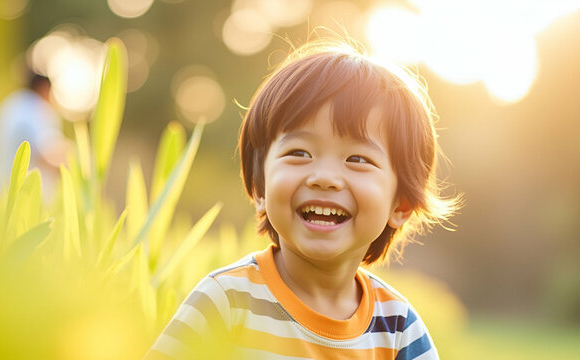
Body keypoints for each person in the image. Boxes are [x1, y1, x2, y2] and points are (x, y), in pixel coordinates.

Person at [146, 40, 459, 359]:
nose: (324, 177)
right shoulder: (227, 301)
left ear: (401, 204)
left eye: (357, 159)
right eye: (299, 153)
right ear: (260, 189)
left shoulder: (398, 329)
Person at [0, 74, 70, 199]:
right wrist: (72, 171)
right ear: (45, 89)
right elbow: (43, 155)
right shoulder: (33, 110)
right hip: (21, 198)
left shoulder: (13, 105)